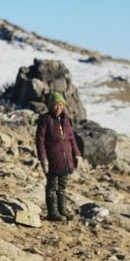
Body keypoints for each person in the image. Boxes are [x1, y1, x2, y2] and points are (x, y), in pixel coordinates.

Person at [36, 92, 83, 221]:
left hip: (65, 160)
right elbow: (40, 140)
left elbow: (71, 139)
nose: (58, 107)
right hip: (52, 159)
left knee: (62, 187)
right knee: (51, 186)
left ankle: (62, 211)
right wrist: (43, 159)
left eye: (61, 104)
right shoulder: (45, 119)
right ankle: (52, 213)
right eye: (56, 104)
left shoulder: (66, 120)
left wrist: (77, 155)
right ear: (51, 106)